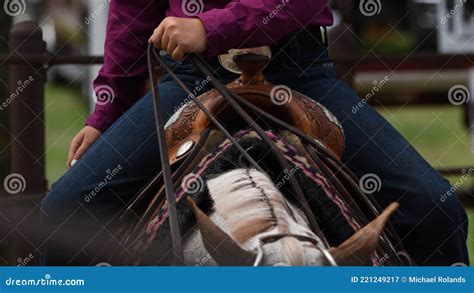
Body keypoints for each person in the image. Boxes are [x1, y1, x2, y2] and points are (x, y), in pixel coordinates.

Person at [41, 0, 469, 265]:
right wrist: (107, 113)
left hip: (297, 71)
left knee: (435, 210)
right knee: (64, 212)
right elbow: (132, 17)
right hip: (192, 79)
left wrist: (212, 28)